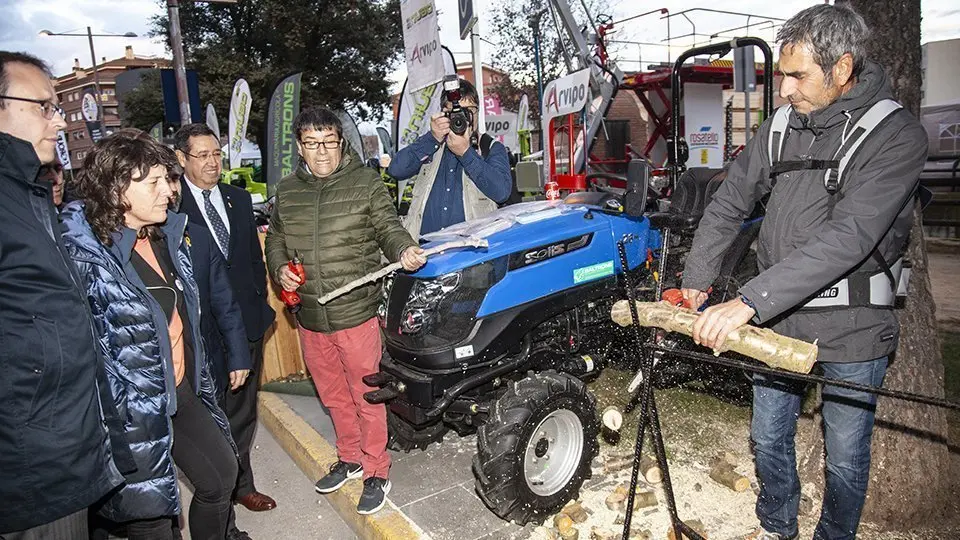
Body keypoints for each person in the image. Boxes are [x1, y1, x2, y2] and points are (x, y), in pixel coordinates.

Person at [678, 5, 928, 540]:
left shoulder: (897, 135)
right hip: (778, 319)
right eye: (781, 74)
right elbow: (727, 204)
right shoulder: (781, 125)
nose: (784, 89)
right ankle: (777, 526)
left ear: (841, 69)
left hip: (852, 326)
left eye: (797, 75)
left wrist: (746, 301)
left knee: (843, 455)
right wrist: (696, 280)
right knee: (768, 436)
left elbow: (850, 236)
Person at [60, 130, 240, 540]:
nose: (169, 192)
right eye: (154, 182)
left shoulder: (164, 235)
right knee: (153, 520)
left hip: (178, 390)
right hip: (129, 415)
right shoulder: (88, 256)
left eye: (168, 180)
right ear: (117, 188)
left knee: (221, 476)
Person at [264, 106, 426, 514]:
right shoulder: (286, 190)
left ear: (341, 143)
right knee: (333, 396)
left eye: (329, 143)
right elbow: (276, 238)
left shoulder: (366, 182)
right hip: (310, 317)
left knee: (366, 396)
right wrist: (280, 268)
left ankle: (377, 470)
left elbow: (388, 228)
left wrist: (404, 249)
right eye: (312, 144)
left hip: (355, 314)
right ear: (300, 148)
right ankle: (350, 458)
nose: (321, 152)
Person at [0, 50, 123, 539]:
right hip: (32, 452)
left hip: (68, 434)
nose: (56, 119)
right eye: (44, 106)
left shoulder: (29, 193)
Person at [174, 123, 278, 513]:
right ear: (181, 159)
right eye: (201, 155)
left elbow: (253, 261)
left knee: (243, 411)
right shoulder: (170, 207)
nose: (212, 162)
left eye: (216, 153)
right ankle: (218, 491)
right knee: (208, 412)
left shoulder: (237, 198)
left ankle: (242, 485)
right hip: (200, 331)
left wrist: (260, 309)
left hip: (246, 325)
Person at [387, 76, 512, 237]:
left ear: (478, 112)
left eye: (468, 111)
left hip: (472, 254)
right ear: (443, 114)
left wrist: (466, 154)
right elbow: (396, 170)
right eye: (453, 112)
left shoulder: (490, 147)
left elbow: (502, 192)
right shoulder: (431, 144)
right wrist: (431, 139)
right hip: (427, 251)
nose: (461, 118)